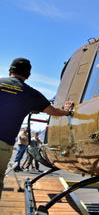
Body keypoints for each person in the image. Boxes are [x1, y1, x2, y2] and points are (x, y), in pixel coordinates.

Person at [0, 58, 74, 199]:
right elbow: (52, 111)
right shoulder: (31, 93)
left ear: (10, 71)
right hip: (2, 144)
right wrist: (66, 110)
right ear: (28, 75)